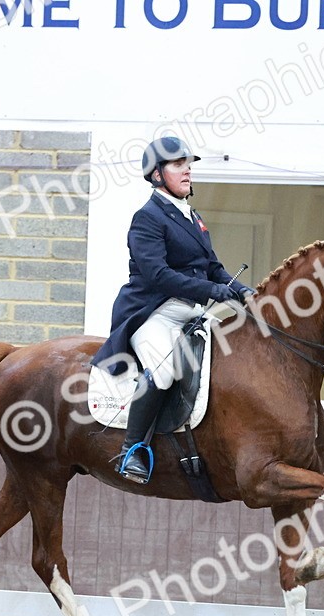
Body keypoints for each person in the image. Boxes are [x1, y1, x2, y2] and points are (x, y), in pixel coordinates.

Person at [91, 136, 254, 484]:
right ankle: (132, 450)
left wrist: (241, 290)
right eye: (179, 165)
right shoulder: (147, 218)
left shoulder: (192, 216)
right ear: (156, 175)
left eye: (189, 165)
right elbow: (159, 275)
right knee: (163, 372)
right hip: (154, 312)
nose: (187, 171)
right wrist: (215, 291)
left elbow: (213, 266)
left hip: (190, 311)